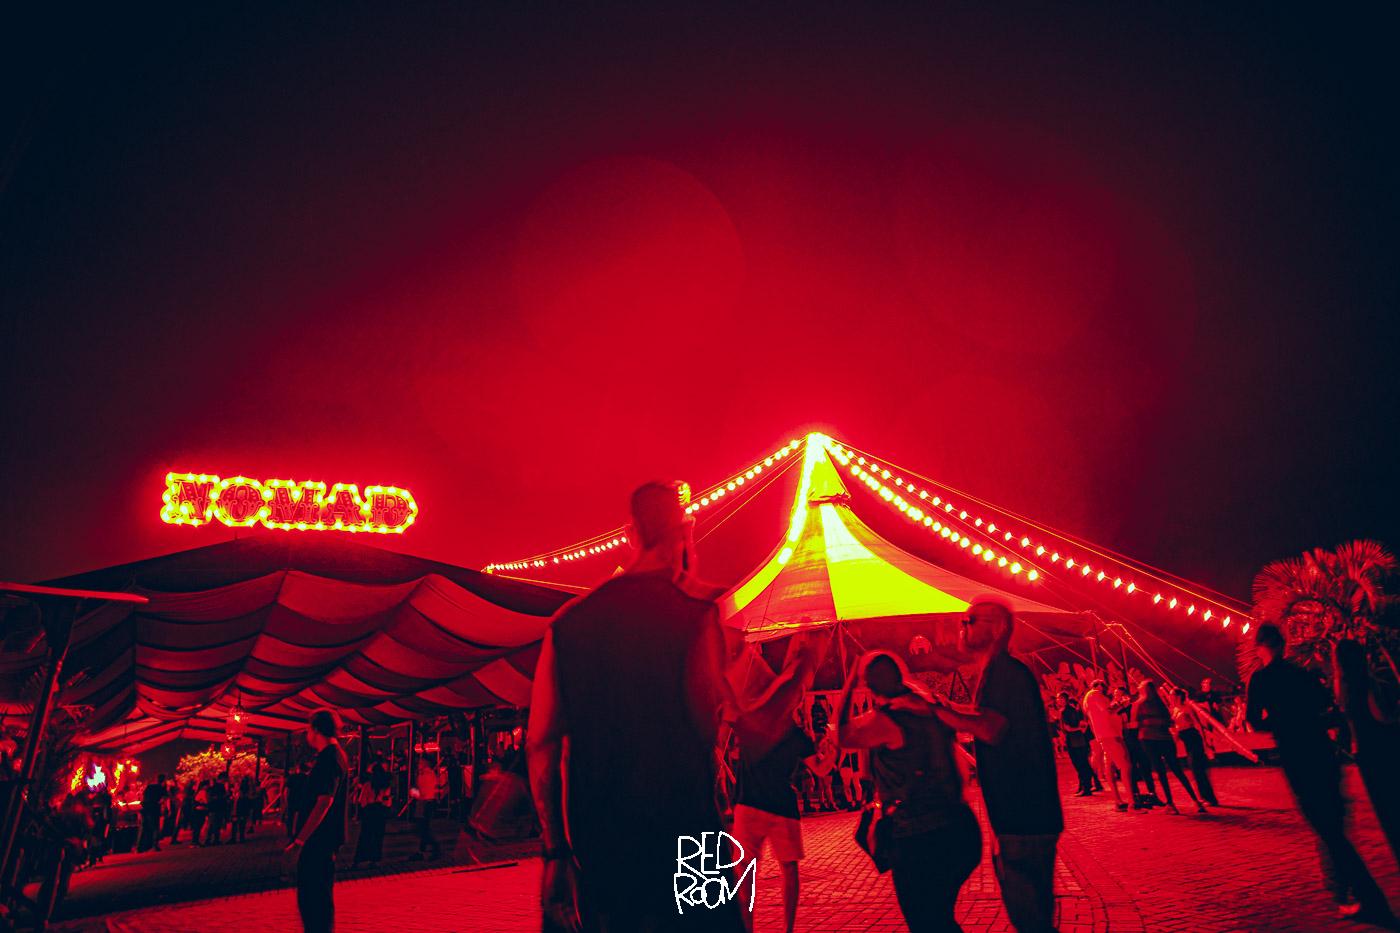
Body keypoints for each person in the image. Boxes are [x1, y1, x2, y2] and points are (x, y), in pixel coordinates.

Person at [527, 480, 742, 932]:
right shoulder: (697, 615)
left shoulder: (568, 624)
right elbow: (707, 724)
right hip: (692, 830)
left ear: (632, 533)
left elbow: (542, 744)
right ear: (682, 531)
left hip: (603, 838)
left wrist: (556, 852)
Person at [1247, 626, 1393, 925]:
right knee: (1333, 822)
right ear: (1283, 644)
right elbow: (1328, 707)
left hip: (1295, 753)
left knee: (1327, 829)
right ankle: (1343, 890)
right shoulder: (1301, 674)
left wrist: (1281, 722)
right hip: (1320, 748)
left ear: (1259, 647)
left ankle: (1364, 897)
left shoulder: (1261, 679)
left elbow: (1254, 721)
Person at [836, 651, 981, 932]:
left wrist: (849, 684)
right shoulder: (930, 705)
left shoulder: (889, 720)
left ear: (870, 685)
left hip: (921, 836)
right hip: (959, 826)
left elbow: (842, 736)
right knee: (940, 918)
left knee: (926, 921)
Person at [950, 596, 1062, 933]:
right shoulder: (997, 671)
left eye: (971, 620)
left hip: (1023, 813)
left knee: (1030, 918)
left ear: (997, 629)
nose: (963, 626)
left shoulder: (1005, 672)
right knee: (1032, 915)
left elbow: (990, 727)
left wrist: (934, 711)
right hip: (1020, 814)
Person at [730, 639, 835, 933]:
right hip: (778, 807)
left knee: (747, 872)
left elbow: (729, 714)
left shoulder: (752, 719)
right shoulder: (794, 733)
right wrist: (833, 746)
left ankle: (750, 928)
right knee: (786, 869)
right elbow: (821, 768)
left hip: (750, 804)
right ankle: (786, 928)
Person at [1333, 639, 1400, 871]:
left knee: (1385, 810)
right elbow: (1381, 716)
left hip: (1363, 752)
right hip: (1382, 748)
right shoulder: (1366, 683)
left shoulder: (1342, 687)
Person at [285, 708, 349, 933]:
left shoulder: (328, 758)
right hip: (325, 838)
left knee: (314, 900)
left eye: (308, 729)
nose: (307, 735)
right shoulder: (336, 756)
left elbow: (324, 801)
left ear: (315, 730)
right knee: (318, 899)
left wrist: (300, 840)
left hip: (319, 840)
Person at [1131, 680, 1204, 815]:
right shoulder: (1161, 704)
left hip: (1149, 739)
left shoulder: (1139, 704)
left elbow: (1134, 723)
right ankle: (1196, 801)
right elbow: (1170, 722)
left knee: (1161, 772)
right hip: (1166, 739)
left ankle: (1171, 803)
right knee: (1177, 770)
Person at [1083, 680, 1132, 811]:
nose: (1105, 690)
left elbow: (1105, 713)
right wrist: (1122, 704)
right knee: (1125, 766)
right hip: (1110, 734)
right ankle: (1132, 803)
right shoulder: (1095, 695)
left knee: (1110, 767)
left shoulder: (1090, 698)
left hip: (1105, 735)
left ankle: (1118, 801)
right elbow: (1108, 711)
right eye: (1103, 687)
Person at [1169, 688, 1220, 806]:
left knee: (1198, 768)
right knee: (1194, 769)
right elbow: (1177, 727)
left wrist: (1205, 742)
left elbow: (1197, 724)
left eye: (1172, 695)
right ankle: (1203, 796)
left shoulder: (1187, 708)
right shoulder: (1175, 709)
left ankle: (1209, 798)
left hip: (1193, 738)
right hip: (1186, 739)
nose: (1170, 697)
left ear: (1178, 696)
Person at [351, 759, 392, 868]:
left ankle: (359, 860)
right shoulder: (386, 785)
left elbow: (362, 801)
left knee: (365, 835)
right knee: (378, 836)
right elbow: (387, 801)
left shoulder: (368, 785)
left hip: (369, 811)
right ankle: (375, 859)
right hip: (381, 811)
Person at [1055, 693, 1096, 797]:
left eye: (1061, 698)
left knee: (1080, 764)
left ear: (1066, 699)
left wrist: (1075, 729)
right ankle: (1085, 786)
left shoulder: (1066, 711)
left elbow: (1069, 727)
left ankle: (1086, 788)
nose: (1059, 700)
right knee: (1082, 764)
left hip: (1075, 741)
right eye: (1058, 699)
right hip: (1075, 740)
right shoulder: (1068, 710)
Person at [408, 758, 442, 861]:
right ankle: (423, 850)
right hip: (427, 802)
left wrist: (414, 792)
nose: (418, 764)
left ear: (425, 764)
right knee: (424, 827)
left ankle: (434, 847)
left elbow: (423, 791)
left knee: (423, 828)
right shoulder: (428, 774)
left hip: (425, 803)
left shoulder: (425, 775)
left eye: (420, 763)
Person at [137, 774, 166, 852]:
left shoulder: (149, 786)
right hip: (154, 808)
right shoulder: (161, 788)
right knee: (155, 827)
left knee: (143, 827)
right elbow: (163, 799)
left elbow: (143, 796)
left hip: (145, 808)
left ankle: (139, 847)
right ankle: (154, 845)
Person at [233, 775, 255, 842]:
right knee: (242, 821)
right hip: (244, 805)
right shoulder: (247, 792)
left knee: (238, 821)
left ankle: (236, 837)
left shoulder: (242, 794)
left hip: (241, 805)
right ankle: (240, 837)